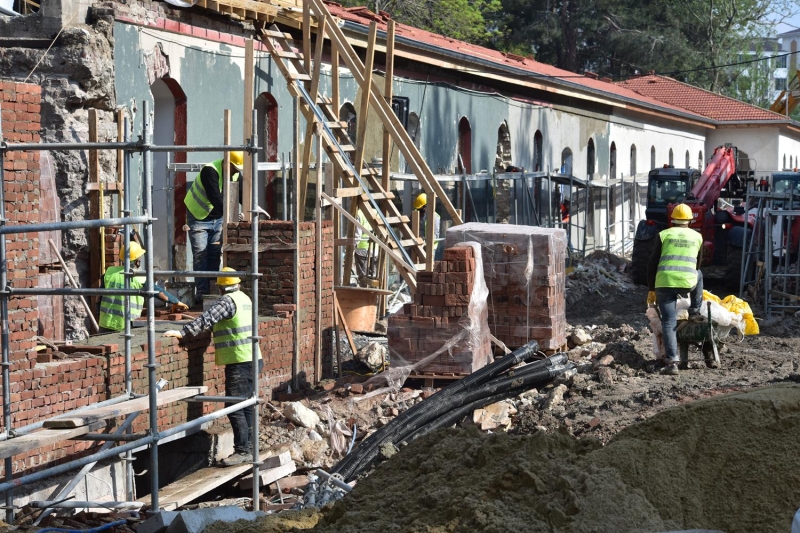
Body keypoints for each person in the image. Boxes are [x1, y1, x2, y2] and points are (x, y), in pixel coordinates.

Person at [163, 267, 262, 467]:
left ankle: (243, 451)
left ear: (220, 287)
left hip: (239, 361)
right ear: (237, 283)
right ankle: (250, 448)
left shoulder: (226, 301)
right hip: (253, 358)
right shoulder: (244, 298)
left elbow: (207, 318)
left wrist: (182, 333)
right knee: (246, 406)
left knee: (234, 407)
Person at [647, 203, 704, 375]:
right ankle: (694, 311)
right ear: (689, 221)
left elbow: (652, 263)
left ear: (672, 220)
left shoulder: (664, 235)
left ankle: (672, 363)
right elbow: (698, 264)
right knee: (699, 273)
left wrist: (651, 289)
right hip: (687, 281)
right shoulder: (697, 237)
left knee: (668, 322)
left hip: (664, 282)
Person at [184, 152, 244, 304]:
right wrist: (232, 216)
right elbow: (216, 198)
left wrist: (251, 209)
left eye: (238, 169)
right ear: (227, 163)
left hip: (218, 218)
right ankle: (202, 292)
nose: (236, 171)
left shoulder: (236, 174)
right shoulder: (210, 171)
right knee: (200, 254)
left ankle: (211, 291)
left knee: (214, 253)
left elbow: (241, 195)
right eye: (234, 168)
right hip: (199, 216)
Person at [99, 242, 188, 333]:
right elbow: (157, 291)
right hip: (126, 325)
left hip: (105, 323)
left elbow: (99, 297)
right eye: (139, 257)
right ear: (136, 260)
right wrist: (175, 301)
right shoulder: (139, 277)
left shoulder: (109, 272)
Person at [414, 192, 442, 260]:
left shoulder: (434, 217)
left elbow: (435, 234)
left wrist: (426, 241)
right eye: (418, 209)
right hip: (419, 244)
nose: (419, 211)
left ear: (426, 206)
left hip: (430, 247)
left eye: (420, 209)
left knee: (428, 264)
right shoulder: (418, 214)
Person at [354, 209, 376, 284]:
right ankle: (374, 290)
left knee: (363, 276)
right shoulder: (376, 212)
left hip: (362, 249)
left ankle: (364, 288)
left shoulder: (359, 213)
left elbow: (357, 234)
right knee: (374, 276)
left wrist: (353, 246)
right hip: (375, 249)